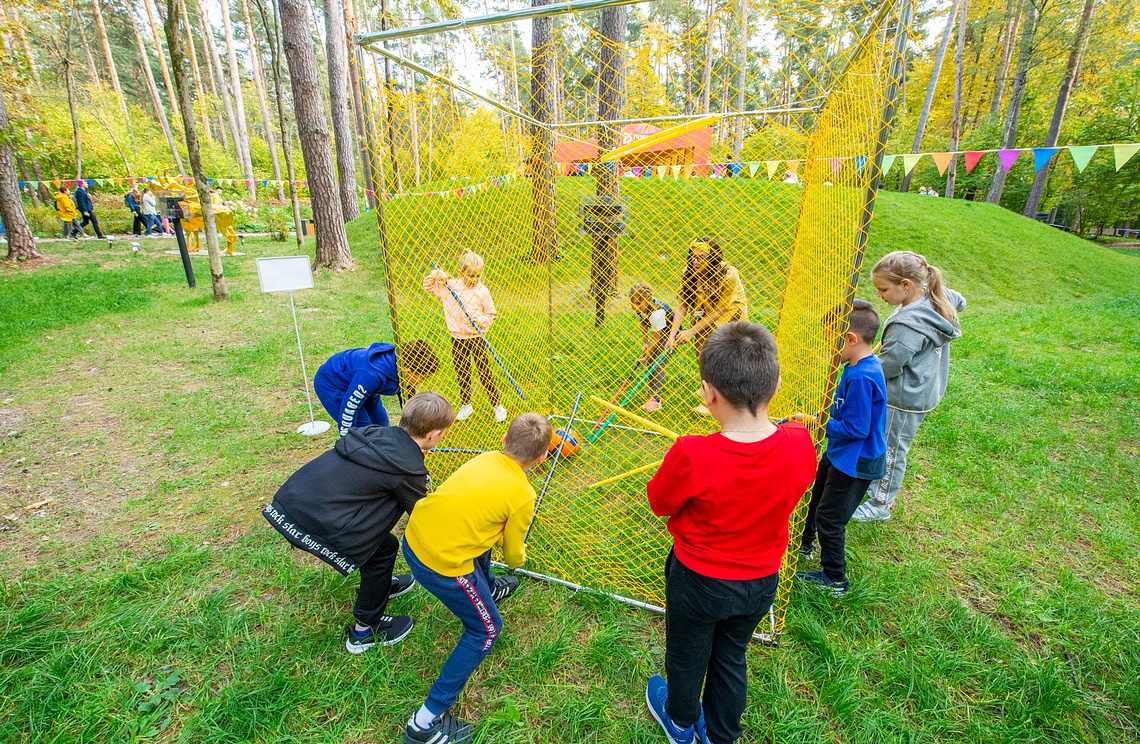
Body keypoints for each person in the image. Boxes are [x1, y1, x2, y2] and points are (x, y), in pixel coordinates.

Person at [644, 321, 817, 744]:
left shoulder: (691, 453)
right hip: (760, 582)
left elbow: (660, 503)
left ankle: (681, 721)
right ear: (775, 385)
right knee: (731, 656)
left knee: (687, 655)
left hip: (698, 581)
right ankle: (723, 735)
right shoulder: (800, 442)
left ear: (708, 392)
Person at [401, 413, 552, 744]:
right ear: (542, 458)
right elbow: (513, 553)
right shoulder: (523, 495)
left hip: (413, 539)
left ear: (503, 441)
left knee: (484, 533)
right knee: (486, 630)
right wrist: (517, 555)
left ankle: (490, 588)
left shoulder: (483, 458)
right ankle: (424, 723)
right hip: (443, 565)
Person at [263, 392, 455, 652]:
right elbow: (423, 514)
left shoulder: (375, 434)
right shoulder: (408, 468)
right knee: (378, 552)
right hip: (316, 521)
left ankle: (381, 588)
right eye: (443, 433)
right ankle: (365, 630)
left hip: (292, 501)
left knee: (385, 546)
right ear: (433, 435)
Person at [851, 250, 966, 523]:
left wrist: (859, 367)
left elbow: (889, 365)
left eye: (883, 289)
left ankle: (880, 504)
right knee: (888, 442)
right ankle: (874, 486)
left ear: (905, 285)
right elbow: (959, 300)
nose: (880, 296)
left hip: (905, 397)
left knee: (891, 449)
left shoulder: (908, 325)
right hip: (923, 388)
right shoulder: (934, 295)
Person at [794, 299, 887, 596]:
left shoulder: (862, 376)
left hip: (856, 461)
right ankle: (804, 543)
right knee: (816, 497)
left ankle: (835, 579)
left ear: (850, 339)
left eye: (832, 342)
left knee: (830, 519)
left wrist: (819, 427)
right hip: (839, 452)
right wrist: (817, 419)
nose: (829, 350)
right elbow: (846, 415)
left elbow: (857, 429)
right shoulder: (853, 365)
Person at [422, 251, 507, 423]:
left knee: (485, 372)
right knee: (462, 372)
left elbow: (491, 314)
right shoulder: (450, 287)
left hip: (476, 338)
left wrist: (480, 321)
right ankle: (466, 405)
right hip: (458, 339)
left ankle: (497, 405)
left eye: (477, 276)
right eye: (470, 275)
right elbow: (428, 285)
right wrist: (437, 274)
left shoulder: (482, 291)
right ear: (461, 273)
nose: (474, 279)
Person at [667, 237, 748, 416]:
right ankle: (710, 388)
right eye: (693, 257)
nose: (696, 261)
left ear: (712, 258)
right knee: (701, 351)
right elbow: (683, 304)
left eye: (701, 257)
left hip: (728, 313)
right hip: (703, 310)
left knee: (720, 355)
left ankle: (715, 401)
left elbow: (720, 311)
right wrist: (673, 333)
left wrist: (691, 331)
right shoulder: (688, 272)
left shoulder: (728, 275)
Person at [314, 340, 441, 436]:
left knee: (382, 427)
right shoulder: (372, 375)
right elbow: (349, 409)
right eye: (423, 377)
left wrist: (416, 436)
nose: (424, 380)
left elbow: (409, 406)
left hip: (366, 388)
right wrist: (348, 440)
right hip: (333, 384)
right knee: (364, 433)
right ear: (407, 371)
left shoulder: (403, 370)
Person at [628, 282, 672, 412]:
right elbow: (643, 323)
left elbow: (657, 339)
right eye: (633, 303)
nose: (635, 307)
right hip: (657, 335)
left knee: (657, 365)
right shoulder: (641, 308)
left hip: (669, 337)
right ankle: (651, 393)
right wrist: (645, 344)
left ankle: (656, 400)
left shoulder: (656, 313)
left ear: (648, 299)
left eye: (637, 303)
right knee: (650, 364)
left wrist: (646, 356)